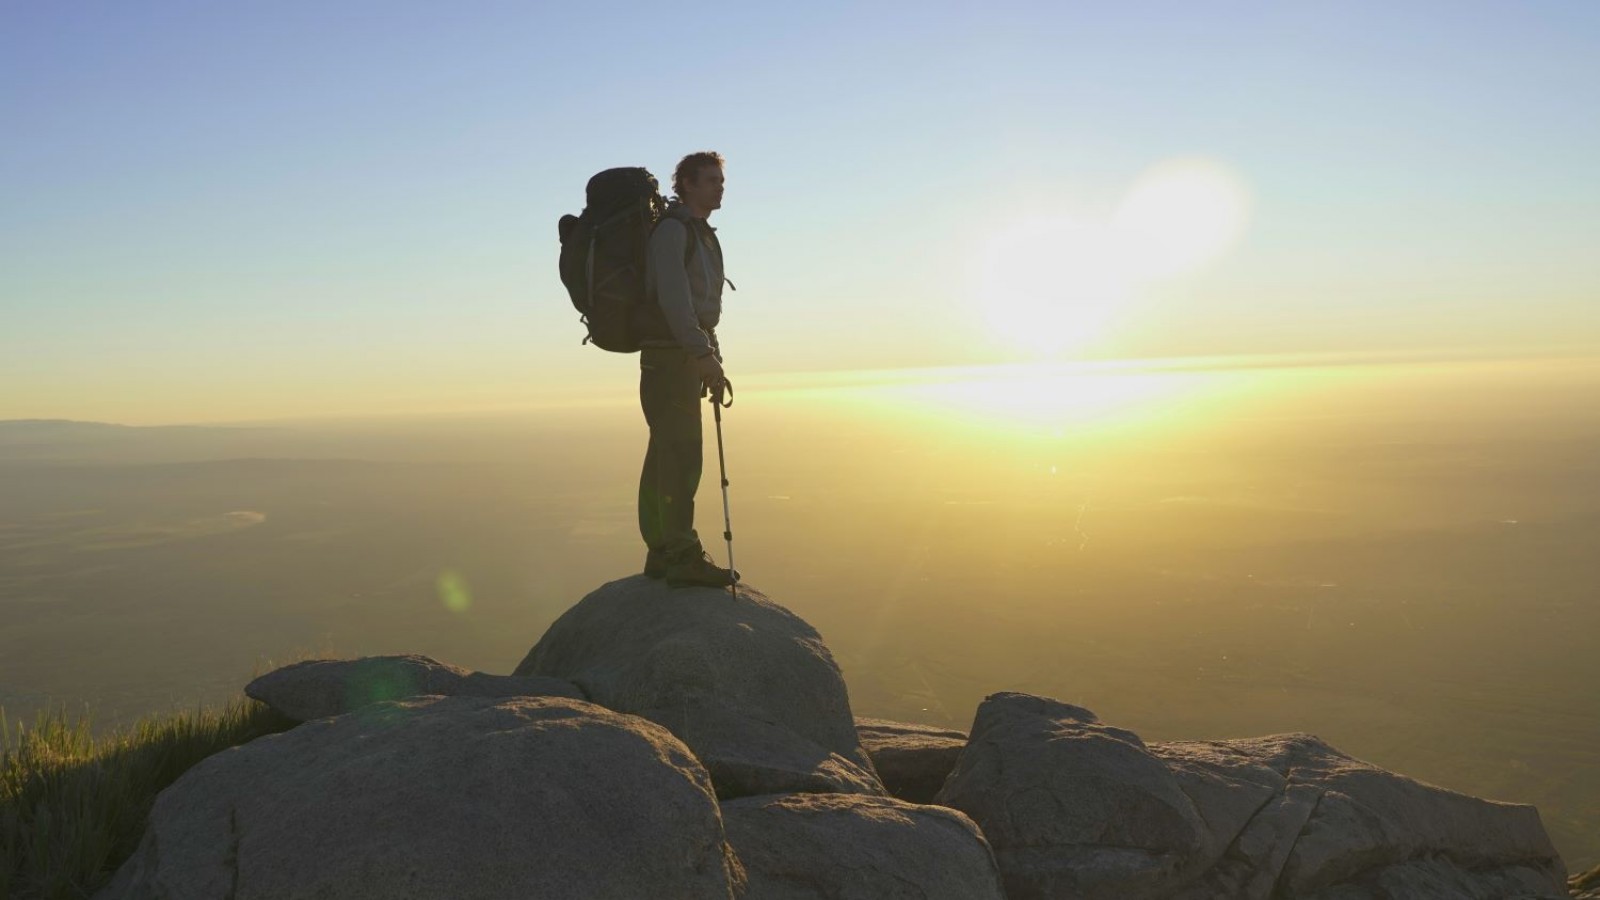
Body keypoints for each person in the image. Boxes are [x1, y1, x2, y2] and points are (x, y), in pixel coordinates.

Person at [637, 150, 738, 587]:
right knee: (680, 457)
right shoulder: (674, 233)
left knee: (665, 453)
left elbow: (693, 304)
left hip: (677, 355)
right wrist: (701, 354)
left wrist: (706, 351)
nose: (720, 186)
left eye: (721, 179)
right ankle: (679, 555)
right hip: (671, 357)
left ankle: (662, 552)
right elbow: (675, 301)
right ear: (688, 185)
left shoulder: (695, 232)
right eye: (711, 180)